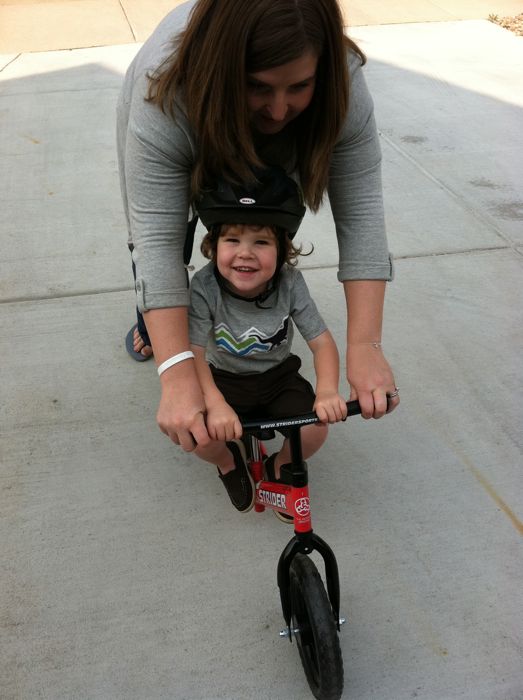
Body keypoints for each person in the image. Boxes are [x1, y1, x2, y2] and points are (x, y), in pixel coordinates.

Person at [116, 0, 400, 454]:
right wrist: (176, 368)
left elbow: (362, 209)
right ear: (228, 73)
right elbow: (155, 238)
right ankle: (150, 325)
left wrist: (366, 344)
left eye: (300, 86)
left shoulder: (342, 81)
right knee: (172, 244)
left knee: (258, 220)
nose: (279, 109)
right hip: (189, 108)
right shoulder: (165, 89)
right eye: (258, 86)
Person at [189, 168, 347, 518]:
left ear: (282, 249)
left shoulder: (290, 283)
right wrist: (214, 403)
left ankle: (280, 464)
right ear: (214, 245)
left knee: (314, 430)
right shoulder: (204, 287)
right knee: (199, 436)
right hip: (223, 380)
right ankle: (229, 461)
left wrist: (327, 391)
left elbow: (322, 342)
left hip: (278, 378)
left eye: (261, 242)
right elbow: (194, 354)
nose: (245, 253)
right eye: (232, 240)